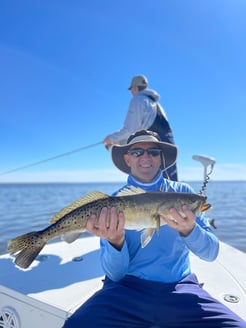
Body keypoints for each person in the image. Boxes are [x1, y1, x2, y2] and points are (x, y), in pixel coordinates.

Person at [63, 130, 246, 328]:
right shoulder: (110, 205)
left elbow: (211, 254)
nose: (146, 157)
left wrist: (190, 230)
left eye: (153, 152)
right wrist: (115, 242)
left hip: (180, 288)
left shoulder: (183, 193)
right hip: (125, 290)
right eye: (137, 152)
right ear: (127, 159)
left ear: (161, 158)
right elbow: (115, 275)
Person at [103, 74, 178, 181]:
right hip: (165, 147)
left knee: (152, 183)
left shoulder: (137, 100)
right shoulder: (156, 104)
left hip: (152, 145)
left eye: (131, 90)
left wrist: (110, 139)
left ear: (134, 88)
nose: (131, 92)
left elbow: (130, 129)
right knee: (171, 182)